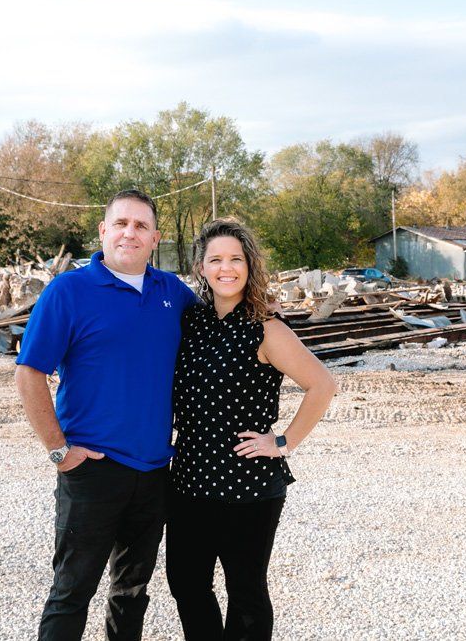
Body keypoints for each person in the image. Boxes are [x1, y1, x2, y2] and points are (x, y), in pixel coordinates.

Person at [15, 189, 197, 641]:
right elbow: (29, 373)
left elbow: (224, 324)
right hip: (91, 469)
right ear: (103, 231)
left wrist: (266, 309)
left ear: (155, 238)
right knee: (71, 591)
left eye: (140, 226)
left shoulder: (173, 293)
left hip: (155, 470)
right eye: (120, 223)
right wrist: (59, 450)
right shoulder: (69, 291)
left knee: (132, 592)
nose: (129, 233)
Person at [165, 218, 337, 641]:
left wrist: (282, 442)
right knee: (186, 584)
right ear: (201, 268)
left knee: (244, 592)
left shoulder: (267, 327)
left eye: (236, 259)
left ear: (249, 265)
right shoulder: (192, 321)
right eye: (216, 259)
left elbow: (323, 385)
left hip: (247, 486)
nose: (227, 268)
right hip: (188, 480)